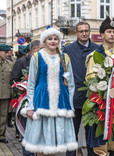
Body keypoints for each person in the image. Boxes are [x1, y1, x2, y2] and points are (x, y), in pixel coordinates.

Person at [22, 27, 78, 155]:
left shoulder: (65, 57)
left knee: (59, 141)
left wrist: (70, 104)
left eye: (55, 39)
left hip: (61, 101)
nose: (53, 41)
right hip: (42, 99)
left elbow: (71, 84)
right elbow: (31, 83)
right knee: (41, 142)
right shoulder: (37, 57)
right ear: (44, 41)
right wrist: (30, 105)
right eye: (50, 39)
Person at [85, 16, 114, 156]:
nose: (112, 34)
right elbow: (89, 78)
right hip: (102, 105)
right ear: (102, 34)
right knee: (101, 145)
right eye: (109, 31)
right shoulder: (95, 55)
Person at [63, 21, 99, 156]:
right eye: (81, 31)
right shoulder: (68, 49)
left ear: (90, 32)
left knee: (92, 134)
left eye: (86, 31)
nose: (84, 33)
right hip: (74, 97)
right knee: (72, 132)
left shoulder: (97, 49)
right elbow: (64, 71)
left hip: (93, 98)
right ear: (76, 33)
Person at [10, 40, 42, 155]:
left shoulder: (45, 62)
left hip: (42, 103)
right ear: (34, 50)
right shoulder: (22, 62)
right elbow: (13, 81)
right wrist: (23, 88)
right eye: (42, 49)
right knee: (27, 134)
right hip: (26, 103)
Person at [0, 44, 14, 143]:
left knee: (3, 116)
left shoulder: (9, 64)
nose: (7, 54)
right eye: (5, 52)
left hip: (5, 94)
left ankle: (1, 135)